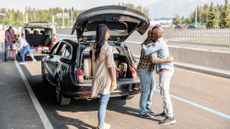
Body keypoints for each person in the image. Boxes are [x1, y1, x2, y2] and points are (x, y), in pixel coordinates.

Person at [142, 25, 176, 125]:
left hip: (165, 70)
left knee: (165, 93)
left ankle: (170, 116)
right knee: (163, 92)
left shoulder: (159, 43)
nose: (151, 35)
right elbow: (165, 40)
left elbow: (148, 52)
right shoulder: (161, 41)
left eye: (152, 34)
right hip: (165, 70)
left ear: (156, 35)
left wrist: (143, 46)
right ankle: (166, 112)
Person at [91, 24, 116, 129]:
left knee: (102, 102)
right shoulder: (108, 48)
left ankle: (100, 123)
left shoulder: (93, 46)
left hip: (97, 77)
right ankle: (101, 125)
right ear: (104, 33)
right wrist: (114, 80)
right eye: (108, 31)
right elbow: (110, 66)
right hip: (106, 79)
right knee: (103, 102)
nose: (109, 33)